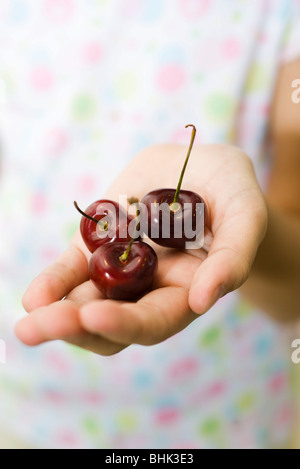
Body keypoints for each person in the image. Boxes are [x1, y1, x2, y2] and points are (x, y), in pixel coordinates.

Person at [0, 0, 300, 449]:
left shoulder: (281, 15)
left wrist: (249, 232)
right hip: (29, 400)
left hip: (227, 414)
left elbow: (294, 288)